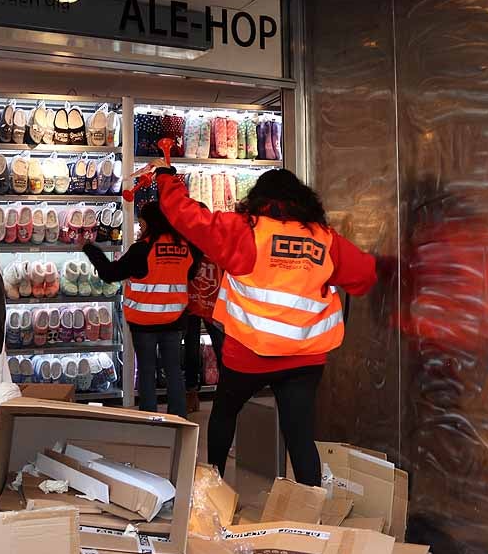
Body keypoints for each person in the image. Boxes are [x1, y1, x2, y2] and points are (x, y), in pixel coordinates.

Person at [148, 165, 377, 486]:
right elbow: (365, 277)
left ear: (258, 200)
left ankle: (212, 490)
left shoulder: (245, 230)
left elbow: (187, 216)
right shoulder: (325, 240)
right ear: (303, 201)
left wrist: (167, 181)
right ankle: (310, 513)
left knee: (225, 413)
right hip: (304, 361)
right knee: (299, 435)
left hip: (249, 357)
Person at [84, 201, 200, 417]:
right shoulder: (185, 247)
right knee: (174, 369)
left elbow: (110, 273)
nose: (140, 227)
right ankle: (178, 418)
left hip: (144, 321)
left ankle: (149, 419)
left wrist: (90, 249)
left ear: (149, 223)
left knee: (147, 371)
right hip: (175, 320)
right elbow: (191, 274)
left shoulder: (142, 249)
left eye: (141, 222)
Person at [183, 203, 226, 415]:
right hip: (210, 302)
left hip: (200, 302)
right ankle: (220, 393)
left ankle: (193, 393)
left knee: (196, 348)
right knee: (217, 348)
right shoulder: (217, 240)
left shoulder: (187, 238)